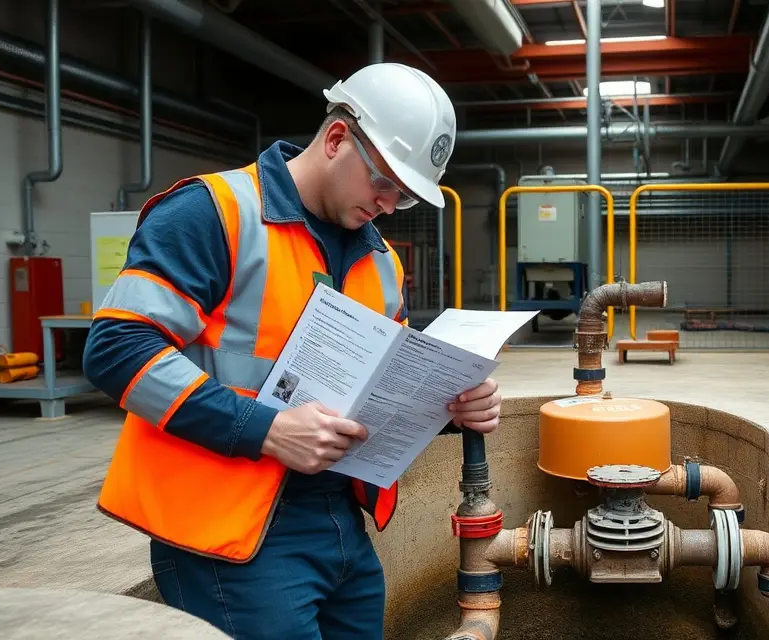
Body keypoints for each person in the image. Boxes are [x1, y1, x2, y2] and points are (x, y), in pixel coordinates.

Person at [82, 62, 498, 639]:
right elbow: (117, 348)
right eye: (384, 184)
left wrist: (451, 410)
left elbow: (383, 387)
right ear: (335, 140)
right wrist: (267, 429)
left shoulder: (380, 260)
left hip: (340, 521)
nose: (386, 204)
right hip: (228, 531)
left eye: (403, 198)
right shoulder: (213, 213)